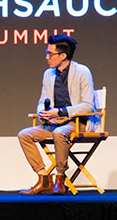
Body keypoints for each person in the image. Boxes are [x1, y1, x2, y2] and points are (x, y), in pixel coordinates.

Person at [18, 35, 95, 195]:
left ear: (63, 56)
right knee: (24, 135)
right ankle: (43, 178)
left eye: (50, 54)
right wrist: (43, 112)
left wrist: (61, 111)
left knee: (60, 133)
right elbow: (42, 99)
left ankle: (60, 177)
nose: (47, 57)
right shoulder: (48, 74)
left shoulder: (82, 72)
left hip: (75, 122)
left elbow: (88, 105)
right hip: (53, 123)